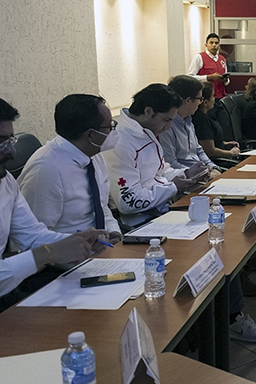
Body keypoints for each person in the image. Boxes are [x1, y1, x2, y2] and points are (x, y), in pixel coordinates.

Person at [0, 98, 102, 308]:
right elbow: (38, 251)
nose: (11, 152)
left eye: (10, 140)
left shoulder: (5, 181)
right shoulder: (47, 166)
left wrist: (76, 241)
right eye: (1, 142)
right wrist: (47, 253)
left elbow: (32, 235)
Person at [18, 94, 122, 242]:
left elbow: (101, 207)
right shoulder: (46, 169)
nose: (114, 131)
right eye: (109, 127)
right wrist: (80, 245)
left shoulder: (94, 155)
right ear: (91, 135)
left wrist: (114, 232)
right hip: (65, 253)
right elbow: (33, 236)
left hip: (102, 247)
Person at [102, 84, 205, 226]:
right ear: (148, 111)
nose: (168, 127)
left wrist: (186, 173)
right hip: (144, 220)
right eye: (166, 120)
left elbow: (160, 170)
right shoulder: (120, 143)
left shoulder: (146, 131)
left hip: (164, 209)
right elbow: (128, 202)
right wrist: (173, 187)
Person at [160, 75, 221, 180]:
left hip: (203, 175)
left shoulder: (188, 121)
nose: (200, 103)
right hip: (187, 179)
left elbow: (199, 151)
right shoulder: (166, 127)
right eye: (200, 99)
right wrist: (201, 173)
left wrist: (213, 167)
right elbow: (171, 163)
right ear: (188, 100)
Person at [193, 82, 241, 165]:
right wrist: (231, 153)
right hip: (216, 162)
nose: (214, 99)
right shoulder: (202, 120)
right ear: (205, 102)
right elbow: (210, 151)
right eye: (213, 96)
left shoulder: (205, 116)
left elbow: (211, 139)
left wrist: (225, 143)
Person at [187, 33, 230, 100]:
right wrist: (208, 77)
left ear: (219, 45)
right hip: (205, 97)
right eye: (211, 43)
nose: (214, 45)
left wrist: (225, 80)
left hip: (221, 96)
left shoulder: (222, 59)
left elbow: (226, 81)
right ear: (206, 45)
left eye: (216, 43)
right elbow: (190, 78)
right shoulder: (199, 57)